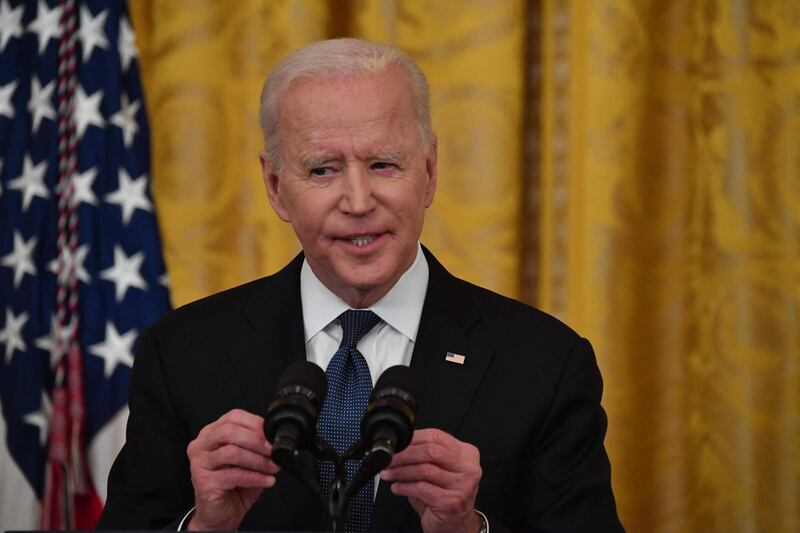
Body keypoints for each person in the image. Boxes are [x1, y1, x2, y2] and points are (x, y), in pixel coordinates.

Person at [97, 38, 623, 532]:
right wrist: (205, 527)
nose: (357, 201)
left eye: (382, 164)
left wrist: (469, 529)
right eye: (323, 170)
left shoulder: (544, 363)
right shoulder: (184, 353)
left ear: (430, 171)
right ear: (277, 188)